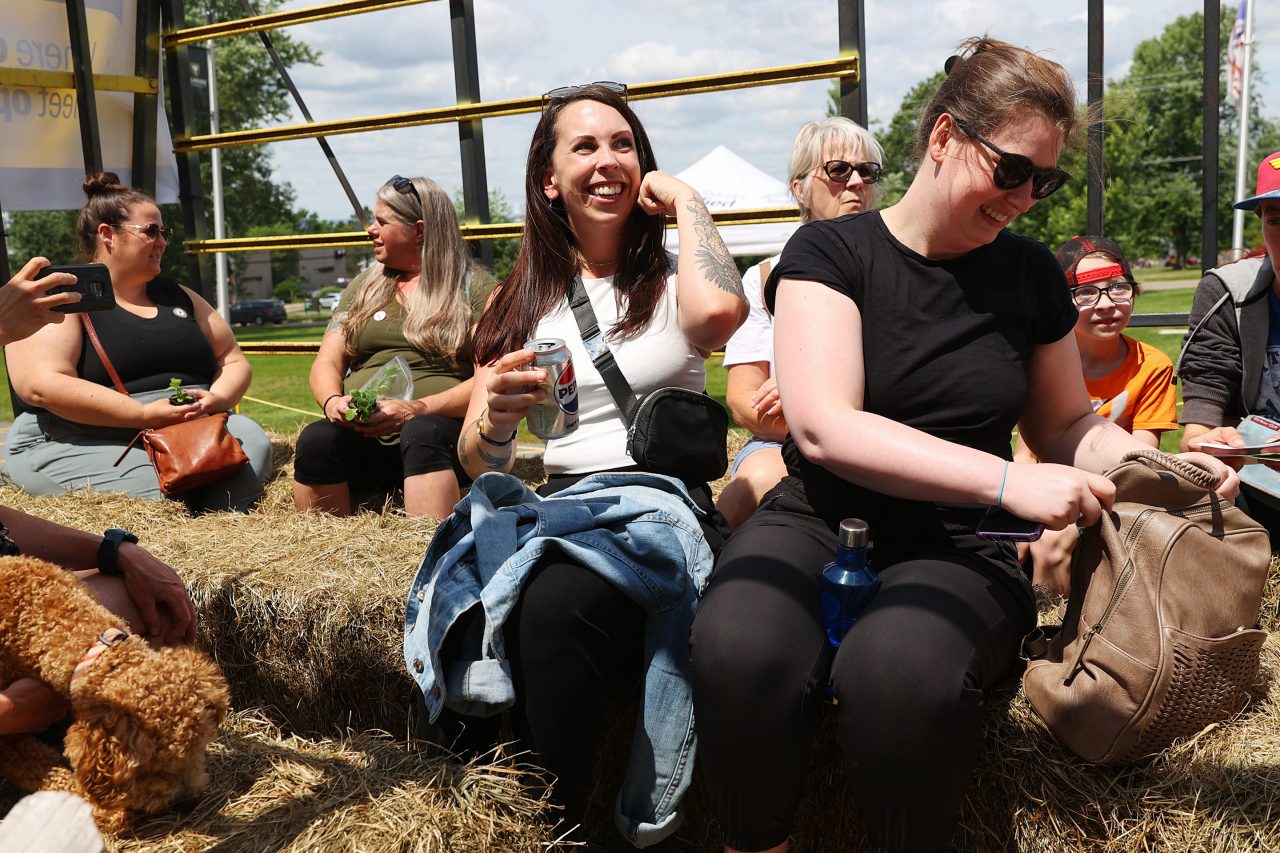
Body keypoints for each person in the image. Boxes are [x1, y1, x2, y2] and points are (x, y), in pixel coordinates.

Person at [689, 37, 1238, 853]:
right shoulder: (830, 253)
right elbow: (824, 427)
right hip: (817, 516)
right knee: (739, 646)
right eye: (1011, 170)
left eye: (1043, 181)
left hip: (957, 541)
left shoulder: (1027, 276)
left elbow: (1062, 426)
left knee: (898, 677)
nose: (1025, 199)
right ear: (943, 137)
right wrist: (1008, 484)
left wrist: (1161, 466)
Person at [405, 82, 746, 842]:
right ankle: (508, 808)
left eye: (623, 144)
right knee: (483, 597)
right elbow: (475, 455)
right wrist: (494, 416)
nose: (608, 161)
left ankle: (550, 825)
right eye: (584, 146)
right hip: (559, 507)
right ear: (548, 180)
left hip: (656, 509)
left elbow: (721, 316)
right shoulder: (519, 301)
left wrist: (686, 198)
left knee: (554, 605)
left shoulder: (672, 274)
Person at [4, 173, 272, 513]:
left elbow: (232, 360)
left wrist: (217, 399)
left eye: (165, 232)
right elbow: (41, 385)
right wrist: (143, 413)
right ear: (107, 235)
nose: (162, 242)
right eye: (151, 232)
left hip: (192, 427)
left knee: (246, 457)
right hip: (79, 439)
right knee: (165, 500)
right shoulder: (64, 297)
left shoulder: (180, 297)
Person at [717, 117, 884, 530]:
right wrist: (818, 411)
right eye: (838, 170)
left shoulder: (897, 272)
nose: (857, 182)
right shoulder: (763, 278)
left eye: (867, 171)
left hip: (880, 444)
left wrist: (798, 390)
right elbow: (744, 400)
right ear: (800, 188)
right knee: (757, 481)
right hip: (782, 444)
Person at [292, 175, 493, 518]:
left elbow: (489, 380)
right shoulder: (363, 287)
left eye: (382, 221)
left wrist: (417, 409)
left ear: (419, 230)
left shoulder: (474, 288)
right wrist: (332, 402)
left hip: (439, 441)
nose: (371, 229)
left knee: (421, 432)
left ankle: (428, 553)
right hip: (365, 439)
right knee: (316, 439)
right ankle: (327, 557)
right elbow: (327, 361)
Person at [1014, 235, 1177, 594]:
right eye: (1086, 292)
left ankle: (1067, 635)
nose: (1106, 304)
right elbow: (1025, 456)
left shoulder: (1151, 366)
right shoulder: (1040, 362)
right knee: (1020, 540)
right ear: (1061, 300)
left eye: (1118, 287)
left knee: (1054, 543)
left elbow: (1140, 461)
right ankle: (1038, 625)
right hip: (1046, 484)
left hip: (1117, 491)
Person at [1178, 149, 1280, 544]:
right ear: (1261, 226)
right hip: (1255, 488)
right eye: (1276, 221)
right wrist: (1208, 444)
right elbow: (1199, 420)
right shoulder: (1226, 292)